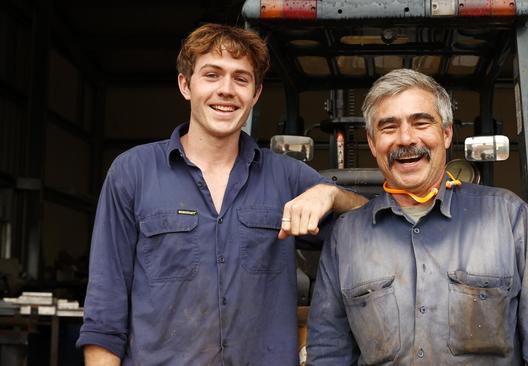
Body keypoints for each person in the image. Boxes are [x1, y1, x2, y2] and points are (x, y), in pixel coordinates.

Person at [77, 24, 367, 365]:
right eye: (212, 75)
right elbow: (105, 312)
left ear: (256, 94)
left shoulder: (286, 176)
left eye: (241, 79)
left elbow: (374, 223)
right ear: (186, 85)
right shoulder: (132, 173)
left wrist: (332, 194)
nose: (226, 90)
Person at [306, 69, 528, 365]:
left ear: (446, 133)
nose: (406, 138)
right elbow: (328, 351)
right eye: (388, 128)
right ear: (373, 144)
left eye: (421, 122)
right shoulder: (346, 238)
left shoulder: (508, 218)